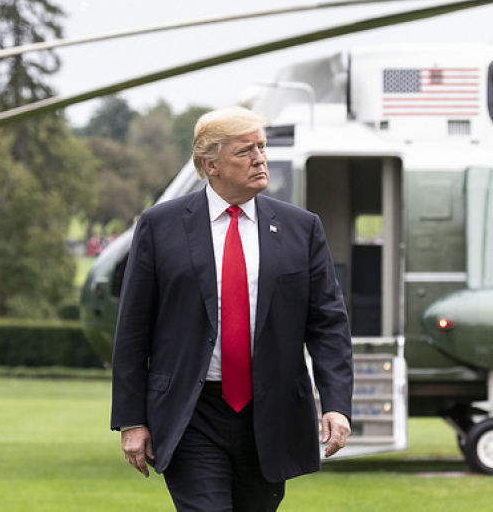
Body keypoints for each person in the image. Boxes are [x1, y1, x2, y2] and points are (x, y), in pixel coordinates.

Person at [111, 106, 354, 511]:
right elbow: (134, 329)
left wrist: (336, 404)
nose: (260, 158)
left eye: (261, 147)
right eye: (245, 151)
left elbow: (328, 324)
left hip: (270, 414)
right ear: (211, 165)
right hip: (191, 413)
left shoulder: (302, 228)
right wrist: (132, 419)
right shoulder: (160, 225)